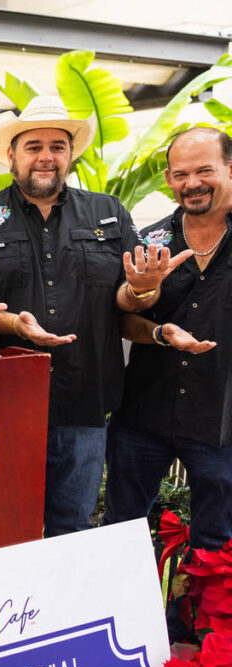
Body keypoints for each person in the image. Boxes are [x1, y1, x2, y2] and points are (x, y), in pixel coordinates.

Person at [0, 95, 190, 537]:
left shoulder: (109, 213)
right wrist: (8, 323)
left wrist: (142, 287)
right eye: (33, 146)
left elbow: (125, 297)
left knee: (73, 530)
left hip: (85, 402)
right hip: (1, 409)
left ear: (70, 153)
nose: (46, 157)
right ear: (11, 155)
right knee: (1, 531)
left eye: (57, 146)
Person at [104, 127, 232, 550]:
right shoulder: (148, 241)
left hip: (221, 423)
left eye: (204, 171)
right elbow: (122, 319)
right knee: (122, 533)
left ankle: (190, 620)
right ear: (168, 180)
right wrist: (156, 324)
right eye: (180, 174)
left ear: (230, 168)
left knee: (216, 544)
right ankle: (126, 616)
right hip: (144, 416)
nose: (191, 183)